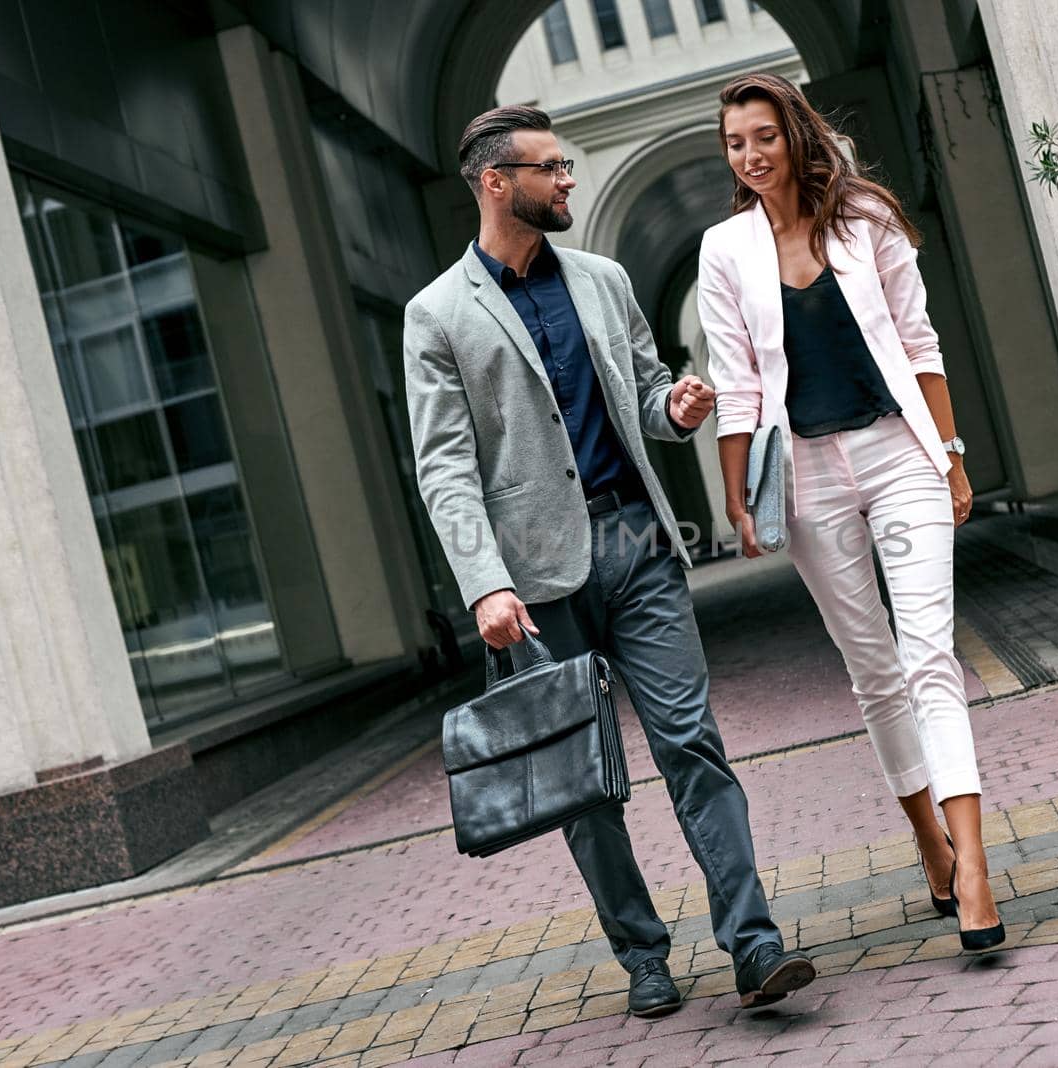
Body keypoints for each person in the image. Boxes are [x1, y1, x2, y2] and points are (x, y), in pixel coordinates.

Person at [403, 105, 817, 1017]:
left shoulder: (601, 278)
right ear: (495, 182)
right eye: (551, 169)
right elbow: (444, 468)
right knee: (581, 784)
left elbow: (645, 389)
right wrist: (485, 585)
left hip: (636, 543)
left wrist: (678, 407)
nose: (568, 181)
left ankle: (754, 945)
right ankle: (642, 955)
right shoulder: (435, 315)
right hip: (532, 584)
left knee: (692, 746)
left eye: (568, 166)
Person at [696, 73, 1005, 952]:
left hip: (895, 452)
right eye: (734, 143)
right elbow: (738, 385)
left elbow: (920, 342)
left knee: (929, 655)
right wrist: (737, 497)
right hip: (806, 478)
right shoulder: (725, 249)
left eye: (763, 136)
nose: (750, 156)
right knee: (872, 669)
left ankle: (975, 867)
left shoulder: (864, 219)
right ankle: (928, 842)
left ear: (794, 134)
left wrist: (949, 457)